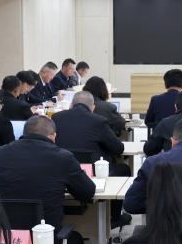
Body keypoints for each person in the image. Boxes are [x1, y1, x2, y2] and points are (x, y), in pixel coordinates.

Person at [0, 116, 95, 244]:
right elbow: (87, 192)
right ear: (53, 136)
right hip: (47, 240)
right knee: (76, 239)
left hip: (4, 238)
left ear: (24, 133)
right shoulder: (62, 157)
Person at [53, 91, 132, 228]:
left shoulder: (56, 118)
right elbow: (118, 148)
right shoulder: (98, 121)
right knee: (123, 169)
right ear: (93, 107)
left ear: (71, 105)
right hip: (92, 174)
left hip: (61, 172)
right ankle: (114, 217)